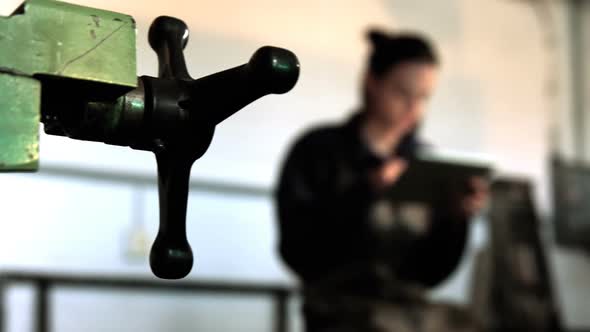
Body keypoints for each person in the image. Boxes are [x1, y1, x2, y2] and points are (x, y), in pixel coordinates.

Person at [275, 29, 488, 332]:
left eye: (423, 97)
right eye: (402, 92)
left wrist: (456, 219)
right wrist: (367, 192)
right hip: (338, 312)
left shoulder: (426, 163)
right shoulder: (319, 151)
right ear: (372, 82)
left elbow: (430, 273)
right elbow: (298, 249)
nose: (413, 107)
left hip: (409, 312)